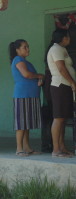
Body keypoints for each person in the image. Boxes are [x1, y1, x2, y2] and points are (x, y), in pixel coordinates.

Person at [9, 39, 44, 157]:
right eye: (25, 47)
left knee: (27, 123)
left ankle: (27, 147)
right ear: (17, 50)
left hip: (31, 95)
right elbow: (26, 74)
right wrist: (39, 75)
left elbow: (30, 76)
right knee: (21, 123)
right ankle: (19, 148)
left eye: (28, 46)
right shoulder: (18, 60)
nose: (28, 49)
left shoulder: (25, 61)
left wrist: (38, 80)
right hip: (22, 95)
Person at [47, 29, 76, 157]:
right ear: (63, 38)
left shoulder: (61, 49)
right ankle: (56, 149)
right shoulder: (56, 49)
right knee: (58, 118)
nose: (69, 39)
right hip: (60, 85)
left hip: (65, 86)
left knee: (63, 118)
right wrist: (72, 82)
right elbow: (61, 68)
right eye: (68, 37)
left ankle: (62, 147)